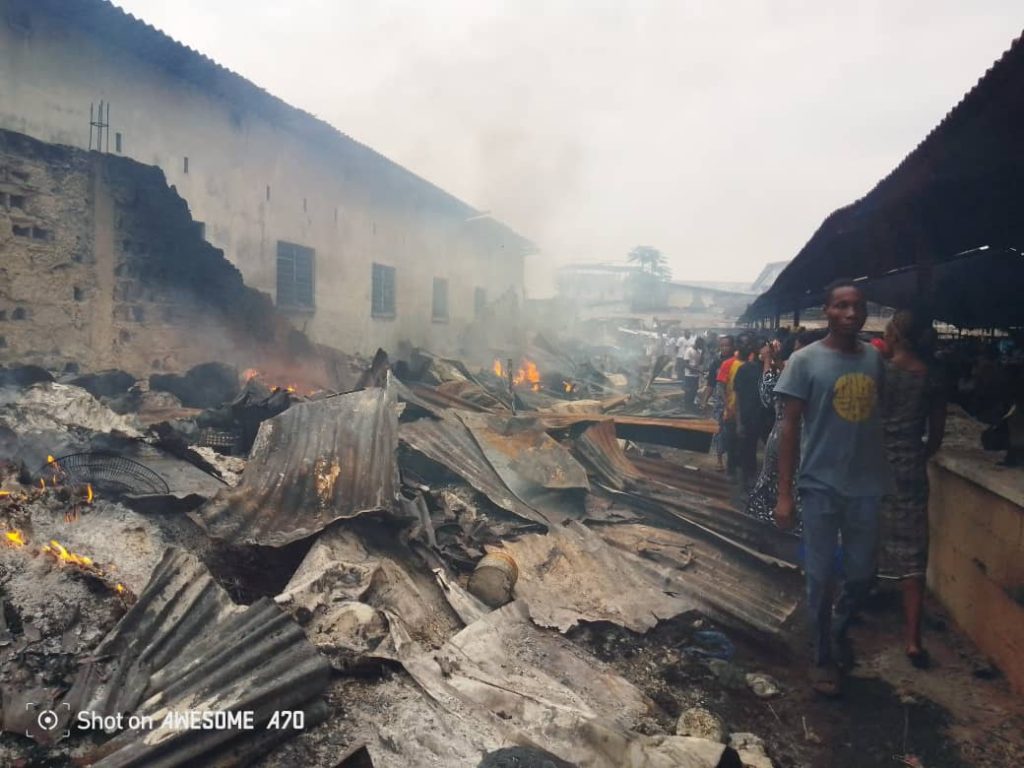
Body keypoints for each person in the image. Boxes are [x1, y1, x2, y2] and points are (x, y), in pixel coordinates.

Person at [774, 280, 892, 697]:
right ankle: (823, 655)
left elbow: (881, 421)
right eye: (841, 306)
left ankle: (839, 626)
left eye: (857, 306)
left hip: (867, 487)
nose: (850, 313)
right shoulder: (804, 361)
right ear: (826, 311)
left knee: (861, 576)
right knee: (821, 576)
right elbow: (789, 428)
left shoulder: (876, 361)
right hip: (819, 485)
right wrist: (784, 493)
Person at [876, 310, 946, 669]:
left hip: (873, 467)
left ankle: (853, 610)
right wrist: (915, 454)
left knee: (863, 538)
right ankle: (913, 639)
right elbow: (935, 437)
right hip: (910, 470)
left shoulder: (879, 372)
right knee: (913, 553)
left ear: (896, 336)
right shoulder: (932, 378)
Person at [745, 329, 826, 527]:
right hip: (800, 441)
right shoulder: (814, 372)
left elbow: (767, 396)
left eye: (800, 351)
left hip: (792, 439)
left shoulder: (800, 372)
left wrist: (767, 362)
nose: (796, 357)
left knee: (783, 489)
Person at [733, 333, 766, 493]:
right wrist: (739, 422)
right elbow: (738, 397)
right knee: (748, 449)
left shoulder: (769, 370)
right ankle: (747, 479)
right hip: (749, 416)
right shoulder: (745, 370)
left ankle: (753, 479)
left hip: (764, 417)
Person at [709, 335, 737, 471]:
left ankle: (732, 460)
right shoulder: (715, 362)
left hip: (735, 402)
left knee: (733, 432)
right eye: (722, 345)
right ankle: (719, 460)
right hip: (720, 402)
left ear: (733, 346)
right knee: (719, 430)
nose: (725, 348)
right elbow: (711, 383)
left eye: (728, 345)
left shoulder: (737, 361)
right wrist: (704, 400)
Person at [682, 336, 703, 408]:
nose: (701, 346)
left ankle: (691, 404)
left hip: (696, 375)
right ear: (697, 343)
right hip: (689, 375)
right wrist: (694, 370)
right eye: (701, 344)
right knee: (688, 391)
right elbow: (685, 364)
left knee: (694, 390)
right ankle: (686, 405)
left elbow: (699, 363)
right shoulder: (689, 350)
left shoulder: (698, 352)